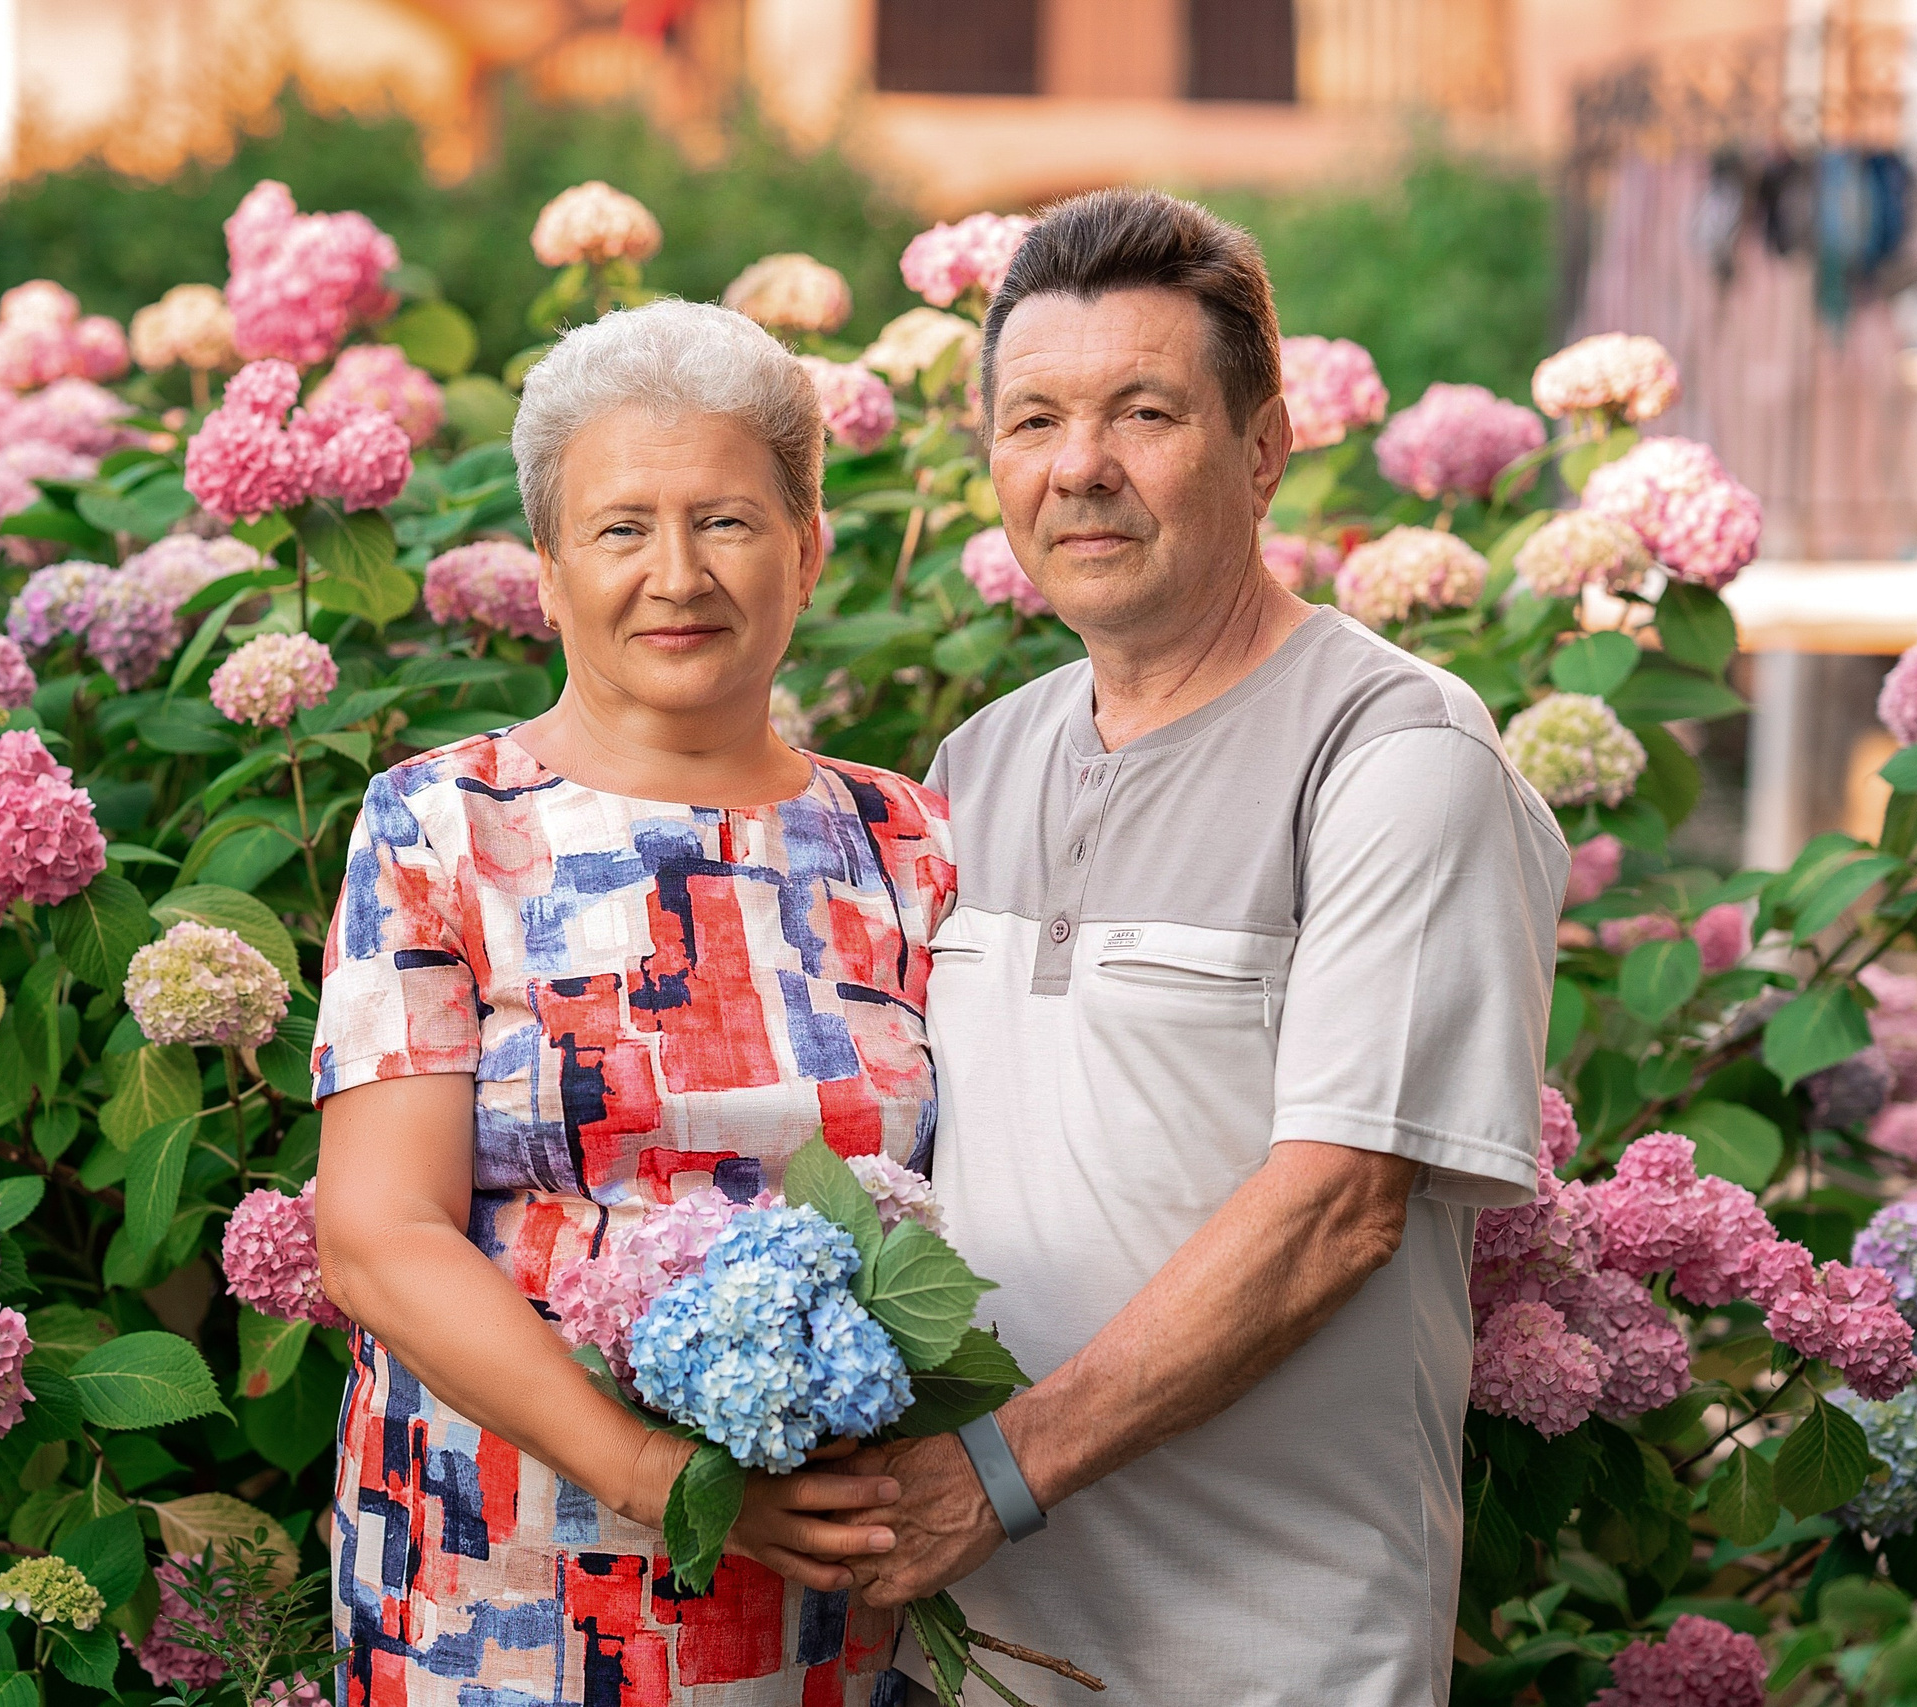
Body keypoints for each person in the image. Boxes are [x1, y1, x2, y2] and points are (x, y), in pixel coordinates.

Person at [838, 190, 1569, 1705]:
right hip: (976, 1659)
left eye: (1145, 411)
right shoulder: (974, 765)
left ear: (1263, 446)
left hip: (1268, 1662)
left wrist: (994, 1475)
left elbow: (1337, 1211)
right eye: (1033, 419)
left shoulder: (1393, 753)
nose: (1080, 467)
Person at [311, 299, 955, 1707]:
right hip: (499, 1599)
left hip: (820, 1605)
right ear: (546, 570)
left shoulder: (908, 845)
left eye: (727, 521)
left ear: (810, 548)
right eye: (620, 530)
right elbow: (375, 1236)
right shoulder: (440, 827)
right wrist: (665, 1479)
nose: (678, 574)